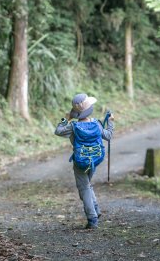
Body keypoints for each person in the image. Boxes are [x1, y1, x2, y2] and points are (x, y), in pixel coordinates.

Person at [54, 93, 114, 229]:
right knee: (86, 185)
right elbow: (109, 135)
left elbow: (58, 131)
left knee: (84, 188)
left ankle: (92, 218)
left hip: (80, 161)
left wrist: (66, 119)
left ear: (76, 113)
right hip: (95, 159)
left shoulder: (73, 127)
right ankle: (96, 209)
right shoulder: (97, 124)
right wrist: (110, 122)